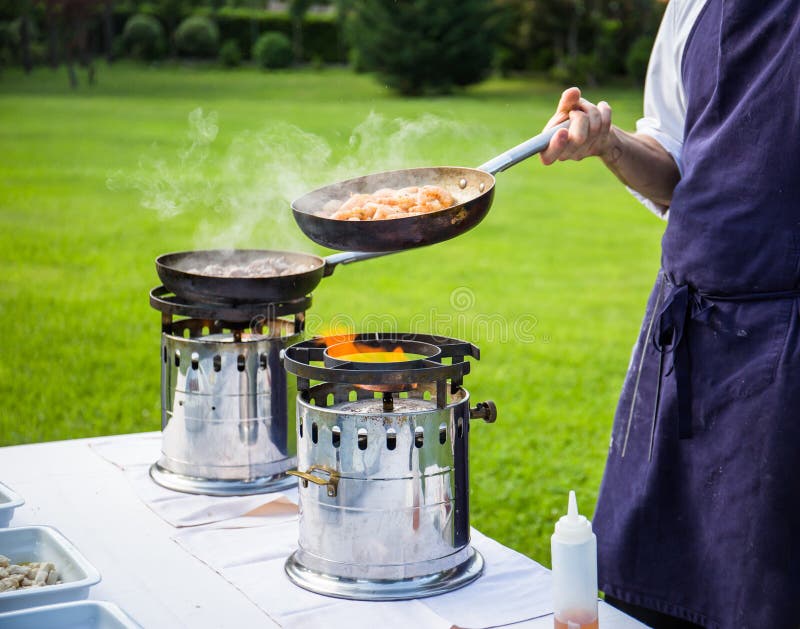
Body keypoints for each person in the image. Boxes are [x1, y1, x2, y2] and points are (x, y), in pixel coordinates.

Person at [540, 1, 800, 627]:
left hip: (790, 343)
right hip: (689, 334)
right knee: (662, 592)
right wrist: (609, 144)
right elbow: (676, 159)